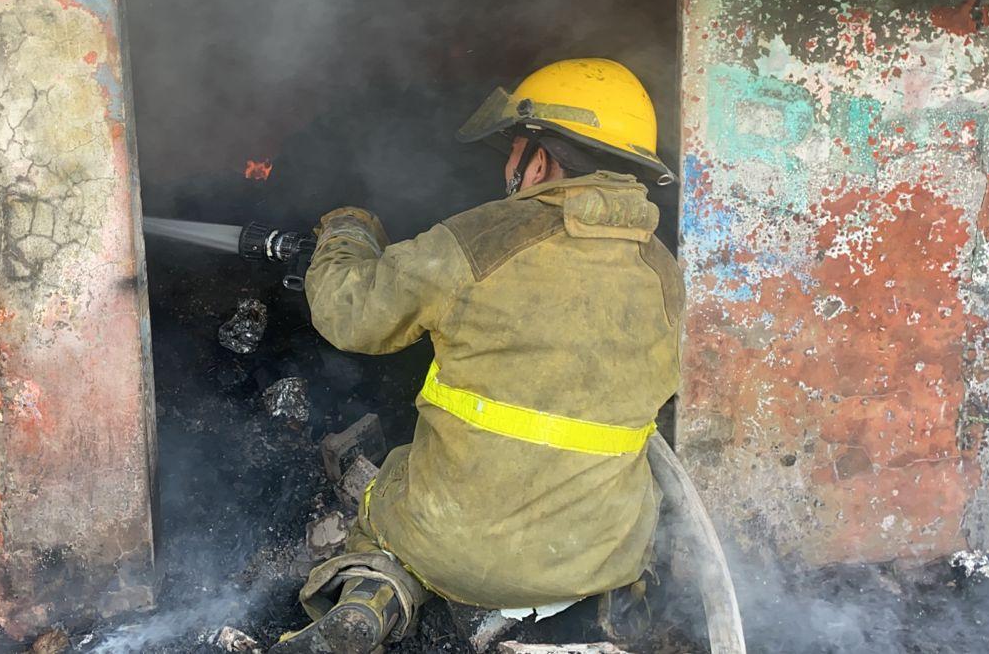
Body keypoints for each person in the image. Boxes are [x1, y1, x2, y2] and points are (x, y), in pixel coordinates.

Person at [272, 58, 683, 654]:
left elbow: (348, 313)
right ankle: (600, 618)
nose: (509, 168)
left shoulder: (481, 242)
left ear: (539, 158)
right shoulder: (664, 271)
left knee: (386, 507)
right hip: (602, 554)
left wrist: (347, 231)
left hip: (457, 549)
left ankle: (372, 595)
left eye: (513, 150)